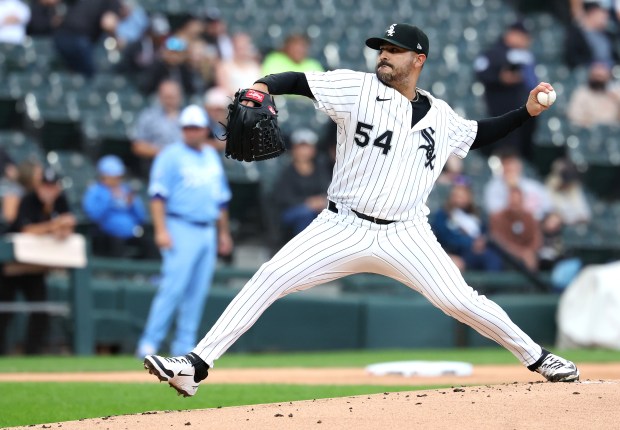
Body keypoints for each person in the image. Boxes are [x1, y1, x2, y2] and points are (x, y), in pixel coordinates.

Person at [143, 23, 579, 397]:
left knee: (461, 300)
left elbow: (478, 133)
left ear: (418, 60)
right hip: (342, 225)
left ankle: (539, 358)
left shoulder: (441, 116)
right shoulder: (356, 88)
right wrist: (261, 86)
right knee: (270, 275)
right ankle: (195, 366)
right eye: (381, 50)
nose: (384, 56)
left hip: (406, 233)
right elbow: (296, 80)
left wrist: (525, 111)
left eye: (394, 51)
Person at [136, 104, 233, 358]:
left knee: (197, 292)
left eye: (196, 127)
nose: (192, 132)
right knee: (173, 288)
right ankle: (149, 342)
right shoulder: (170, 155)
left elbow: (221, 199)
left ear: (205, 130)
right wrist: (161, 230)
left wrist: (223, 233)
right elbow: (157, 196)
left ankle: (184, 346)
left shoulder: (211, 157)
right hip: (180, 225)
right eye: (187, 128)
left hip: (207, 229)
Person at [0, 166, 75, 354]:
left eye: (51, 186)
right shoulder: (28, 200)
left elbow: (68, 225)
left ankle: (31, 353)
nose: (48, 190)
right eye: (44, 186)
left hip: (36, 268)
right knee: (4, 312)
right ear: (38, 186)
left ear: (57, 188)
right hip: (12, 266)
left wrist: (61, 229)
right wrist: (53, 226)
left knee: (40, 312)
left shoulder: (61, 200)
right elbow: (25, 229)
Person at [474, 21, 538, 160]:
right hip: (501, 110)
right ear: (510, 34)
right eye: (521, 36)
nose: (525, 40)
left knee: (520, 151)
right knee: (506, 150)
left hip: (522, 112)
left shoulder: (526, 56)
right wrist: (500, 78)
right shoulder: (495, 53)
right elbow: (480, 71)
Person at [82, 155, 151, 258]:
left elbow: (141, 217)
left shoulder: (126, 190)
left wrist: (132, 204)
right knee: (116, 244)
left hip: (133, 233)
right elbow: (94, 216)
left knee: (150, 242)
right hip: (107, 234)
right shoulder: (95, 190)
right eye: (114, 177)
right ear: (104, 176)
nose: (117, 180)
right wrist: (109, 198)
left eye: (119, 177)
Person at [431, 181, 503, 272]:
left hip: (478, 252)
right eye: (456, 195)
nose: (459, 199)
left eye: (462, 196)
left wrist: (482, 241)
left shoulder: (475, 215)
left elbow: (485, 232)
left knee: (493, 258)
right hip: (456, 252)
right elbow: (444, 236)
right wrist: (471, 243)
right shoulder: (443, 214)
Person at [274, 128, 331, 237]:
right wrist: (308, 203)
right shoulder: (286, 171)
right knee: (306, 213)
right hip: (291, 212)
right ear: (294, 149)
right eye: (301, 147)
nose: (304, 151)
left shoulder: (321, 168)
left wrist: (320, 201)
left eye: (308, 147)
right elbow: (284, 198)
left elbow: (328, 190)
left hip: (320, 209)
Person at [52, 0, 122, 78]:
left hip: (60, 37)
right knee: (91, 78)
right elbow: (108, 24)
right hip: (80, 41)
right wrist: (115, 38)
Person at [130, 79, 183, 178]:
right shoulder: (148, 116)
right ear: (159, 97)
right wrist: (167, 153)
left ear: (180, 97)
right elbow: (137, 146)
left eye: (172, 97)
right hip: (157, 169)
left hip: (185, 170)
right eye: (166, 97)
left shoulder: (188, 116)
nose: (169, 101)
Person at [483, 151, 551, 221]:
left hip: (535, 224)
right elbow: (494, 213)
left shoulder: (533, 185)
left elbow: (548, 207)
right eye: (506, 164)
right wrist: (511, 189)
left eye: (512, 164)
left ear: (519, 166)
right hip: (506, 227)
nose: (509, 168)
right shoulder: (493, 187)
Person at [489, 186, 543, 272]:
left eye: (518, 202)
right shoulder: (497, 218)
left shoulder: (530, 218)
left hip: (529, 257)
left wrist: (529, 252)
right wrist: (521, 253)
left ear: (522, 201)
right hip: (506, 258)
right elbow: (499, 242)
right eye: (512, 202)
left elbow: (536, 240)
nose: (515, 205)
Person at [563, 2, 619, 70]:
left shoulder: (609, 34)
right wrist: (590, 70)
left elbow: (615, 58)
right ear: (592, 13)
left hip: (612, 73)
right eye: (602, 14)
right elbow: (572, 59)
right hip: (586, 75)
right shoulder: (576, 34)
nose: (606, 17)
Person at [566, 61, 620, 128]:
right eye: (596, 76)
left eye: (601, 77)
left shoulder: (614, 94)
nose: (598, 80)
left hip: (611, 132)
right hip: (588, 131)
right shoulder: (581, 93)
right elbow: (573, 115)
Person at [544, 157, 591, 225]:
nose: (567, 184)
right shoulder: (550, 186)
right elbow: (551, 214)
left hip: (574, 226)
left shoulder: (574, 188)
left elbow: (585, 215)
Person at [215, 32, 263, 97]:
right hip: (233, 99)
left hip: (253, 100)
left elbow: (260, 87)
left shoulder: (255, 66)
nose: (242, 50)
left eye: (244, 47)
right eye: (240, 47)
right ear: (233, 47)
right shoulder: (224, 66)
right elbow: (224, 88)